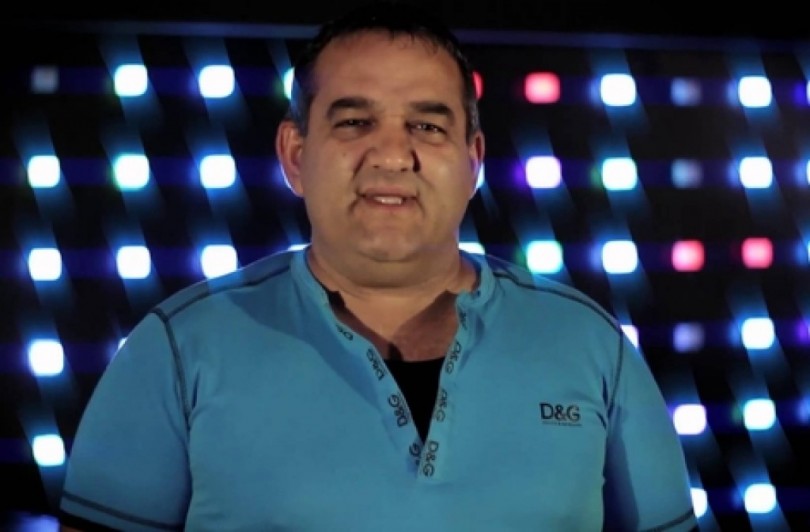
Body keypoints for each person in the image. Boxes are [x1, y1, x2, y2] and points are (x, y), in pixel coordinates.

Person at [58, 2, 698, 530]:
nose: (392, 155)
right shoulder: (176, 351)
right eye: (354, 121)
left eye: (428, 126)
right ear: (295, 155)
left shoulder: (592, 346)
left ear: (473, 161)